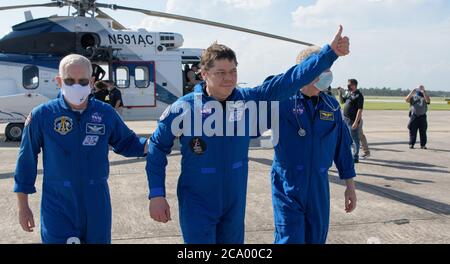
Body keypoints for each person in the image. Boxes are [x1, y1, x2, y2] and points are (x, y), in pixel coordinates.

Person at [146, 26, 350, 244]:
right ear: (204, 74)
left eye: (233, 71)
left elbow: (290, 80)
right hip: (198, 201)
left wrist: (329, 54)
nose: (229, 78)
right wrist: (157, 193)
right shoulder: (184, 109)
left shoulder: (248, 102)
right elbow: (156, 146)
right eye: (220, 73)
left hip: (234, 202)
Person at [14, 54, 148, 244]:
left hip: (96, 204)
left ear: (92, 82)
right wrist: (23, 206)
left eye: (82, 81)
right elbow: (26, 161)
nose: (76, 85)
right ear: (59, 81)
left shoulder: (105, 113)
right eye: (69, 80)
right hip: (58, 204)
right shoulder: (42, 116)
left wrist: (154, 144)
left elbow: (127, 142)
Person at [268, 46, 356, 244]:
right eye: (324, 68)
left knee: (316, 238)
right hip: (287, 183)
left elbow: (342, 148)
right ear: (307, 70)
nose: (329, 74)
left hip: (318, 185)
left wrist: (350, 186)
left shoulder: (332, 106)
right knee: (289, 239)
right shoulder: (281, 101)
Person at [338, 79, 365, 163]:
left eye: (349, 85)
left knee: (355, 139)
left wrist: (356, 122)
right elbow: (342, 102)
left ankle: (355, 156)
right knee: (348, 139)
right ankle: (349, 155)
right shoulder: (349, 93)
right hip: (345, 120)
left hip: (352, 121)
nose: (348, 86)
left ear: (354, 85)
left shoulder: (359, 95)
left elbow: (360, 110)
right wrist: (340, 93)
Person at [405, 85, 430, 149]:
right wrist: (412, 91)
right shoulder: (413, 96)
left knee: (423, 132)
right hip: (414, 116)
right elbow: (406, 100)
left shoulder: (425, 96)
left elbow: (428, 101)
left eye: (422, 88)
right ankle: (411, 144)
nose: (421, 89)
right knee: (412, 131)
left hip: (422, 116)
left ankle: (423, 145)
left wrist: (424, 92)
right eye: (420, 88)